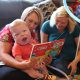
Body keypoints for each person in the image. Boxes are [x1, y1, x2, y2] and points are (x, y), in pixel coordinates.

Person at [0, 6, 43, 80]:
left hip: (25, 61)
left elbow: (34, 51)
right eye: (30, 21)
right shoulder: (9, 30)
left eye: (35, 23)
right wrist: (22, 66)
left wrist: (45, 58)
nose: (32, 26)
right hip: (6, 62)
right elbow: (3, 55)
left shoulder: (31, 33)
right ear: (24, 17)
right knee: (11, 75)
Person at [40, 6, 80, 75]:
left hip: (74, 58)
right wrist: (47, 59)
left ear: (69, 22)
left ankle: (75, 70)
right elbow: (43, 49)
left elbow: (79, 48)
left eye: (63, 23)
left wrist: (75, 62)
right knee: (61, 68)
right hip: (56, 60)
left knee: (69, 68)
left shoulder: (75, 27)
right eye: (57, 21)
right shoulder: (46, 26)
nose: (59, 24)